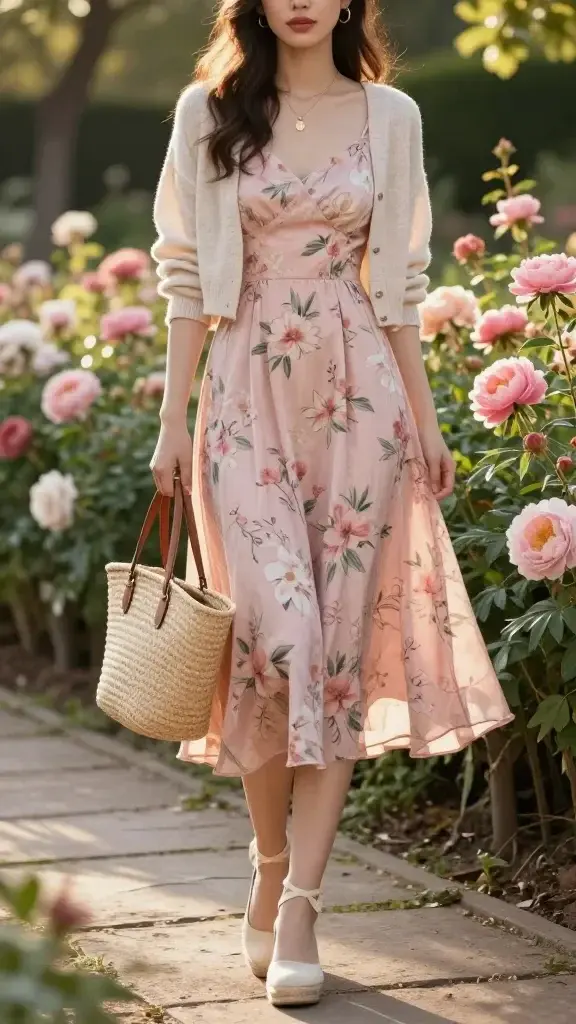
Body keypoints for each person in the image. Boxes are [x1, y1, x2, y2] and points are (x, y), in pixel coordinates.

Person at [150, 0, 513, 1007]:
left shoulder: (390, 115)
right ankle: (268, 864)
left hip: (361, 398)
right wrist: (172, 422)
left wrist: (431, 424)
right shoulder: (210, 109)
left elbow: (398, 279)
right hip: (245, 391)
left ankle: (301, 899)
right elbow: (185, 276)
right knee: (280, 640)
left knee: (337, 651)